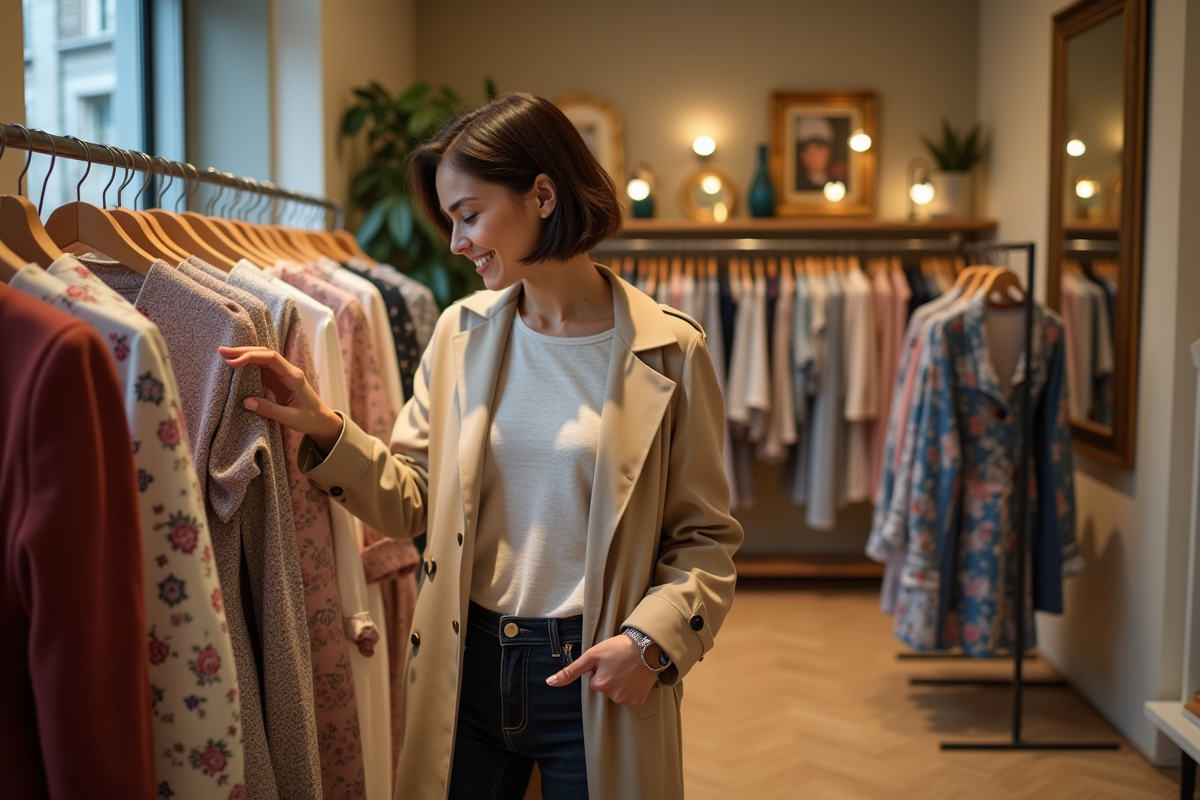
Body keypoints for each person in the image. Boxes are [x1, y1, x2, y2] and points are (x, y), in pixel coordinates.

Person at [218, 91, 742, 800]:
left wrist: (650, 644)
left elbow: (705, 538)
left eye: (468, 215)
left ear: (543, 196)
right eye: (450, 221)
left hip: (594, 668)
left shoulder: (669, 350)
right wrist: (324, 427)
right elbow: (414, 500)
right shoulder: (460, 333)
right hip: (465, 663)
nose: (456, 243)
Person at [794, 116, 848, 192]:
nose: (813, 156)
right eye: (806, 149)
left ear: (829, 151)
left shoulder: (843, 181)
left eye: (819, 148)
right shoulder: (796, 185)